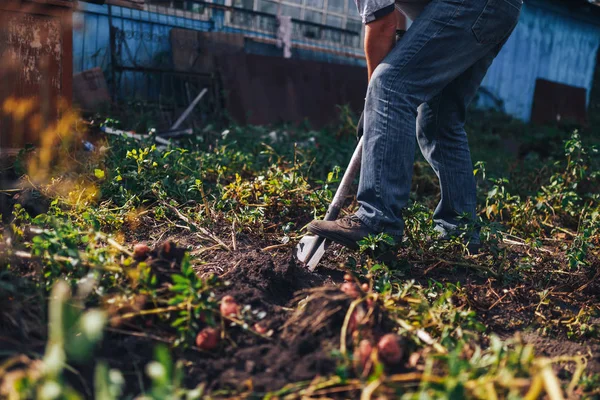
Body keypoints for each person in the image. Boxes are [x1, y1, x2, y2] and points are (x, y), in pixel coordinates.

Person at [308, 0, 522, 252]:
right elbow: (389, 14)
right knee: (441, 120)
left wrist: (374, 104)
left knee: (389, 86)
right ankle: (459, 233)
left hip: (470, 7)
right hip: (501, 10)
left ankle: (377, 220)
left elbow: (382, 26)